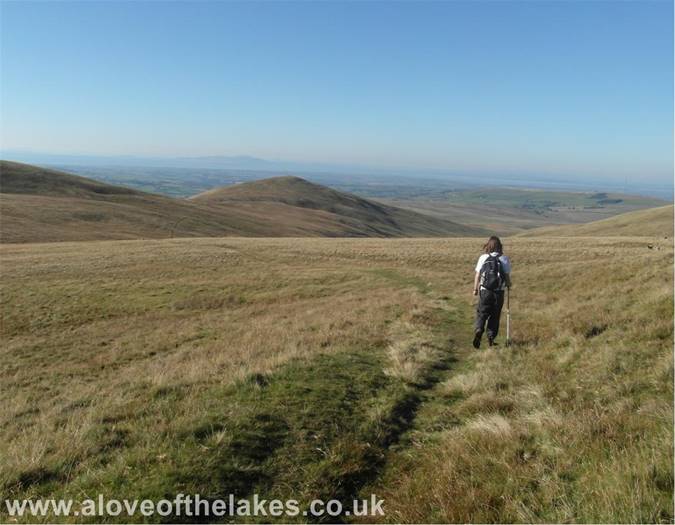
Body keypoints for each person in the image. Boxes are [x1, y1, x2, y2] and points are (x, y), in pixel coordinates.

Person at [472, 236, 511, 349]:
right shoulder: (504, 259)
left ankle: (479, 329)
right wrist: (509, 285)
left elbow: (478, 275)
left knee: (482, 313)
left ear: (488, 245)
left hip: (485, 291)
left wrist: (475, 289)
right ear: (500, 246)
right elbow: (507, 277)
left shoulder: (483, 257)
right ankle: (491, 336)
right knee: (495, 315)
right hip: (499, 292)